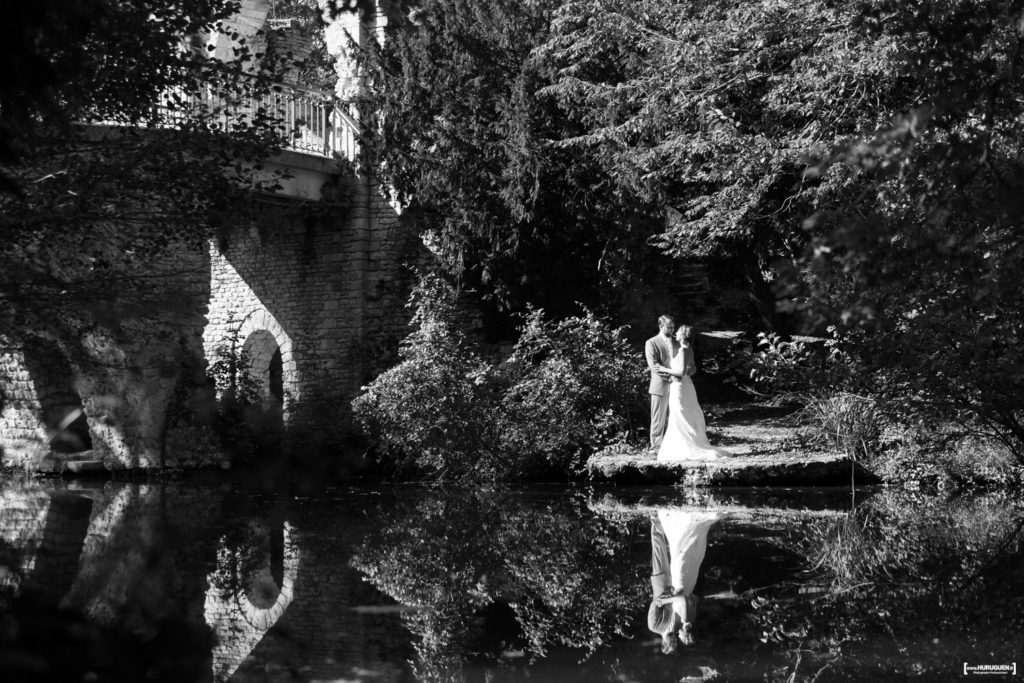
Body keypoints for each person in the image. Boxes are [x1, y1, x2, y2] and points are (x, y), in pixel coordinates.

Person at [647, 508, 724, 651]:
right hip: (677, 584)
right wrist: (678, 598)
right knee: (678, 551)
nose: (675, 640)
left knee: (659, 551)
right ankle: (674, 522)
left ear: (664, 643)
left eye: (673, 643)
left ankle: (655, 521)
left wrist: (665, 599)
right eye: (676, 642)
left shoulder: (654, 626)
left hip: (662, 583)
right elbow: (689, 601)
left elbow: (655, 604)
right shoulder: (678, 626)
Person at [655, 325, 733, 461]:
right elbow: (692, 370)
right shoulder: (688, 350)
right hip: (685, 385)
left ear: (683, 335)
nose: (675, 333)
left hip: (680, 387)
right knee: (681, 415)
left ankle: (686, 447)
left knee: (680, 415)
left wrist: (663, 369)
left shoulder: (684, 350)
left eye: (678, 331)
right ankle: (682, 445)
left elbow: (680, 373)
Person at [644, 315, 677, 451]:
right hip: (660, 385)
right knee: (658, 418)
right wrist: (671, 377)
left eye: (673, 327)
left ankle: (674, 445)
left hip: (678, 385)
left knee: (677, 416)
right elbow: (654, 366)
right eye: (668, 327)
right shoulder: (651, 342)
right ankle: (656, 447)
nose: (671, 329)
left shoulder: (677, 341)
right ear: (660, 326)